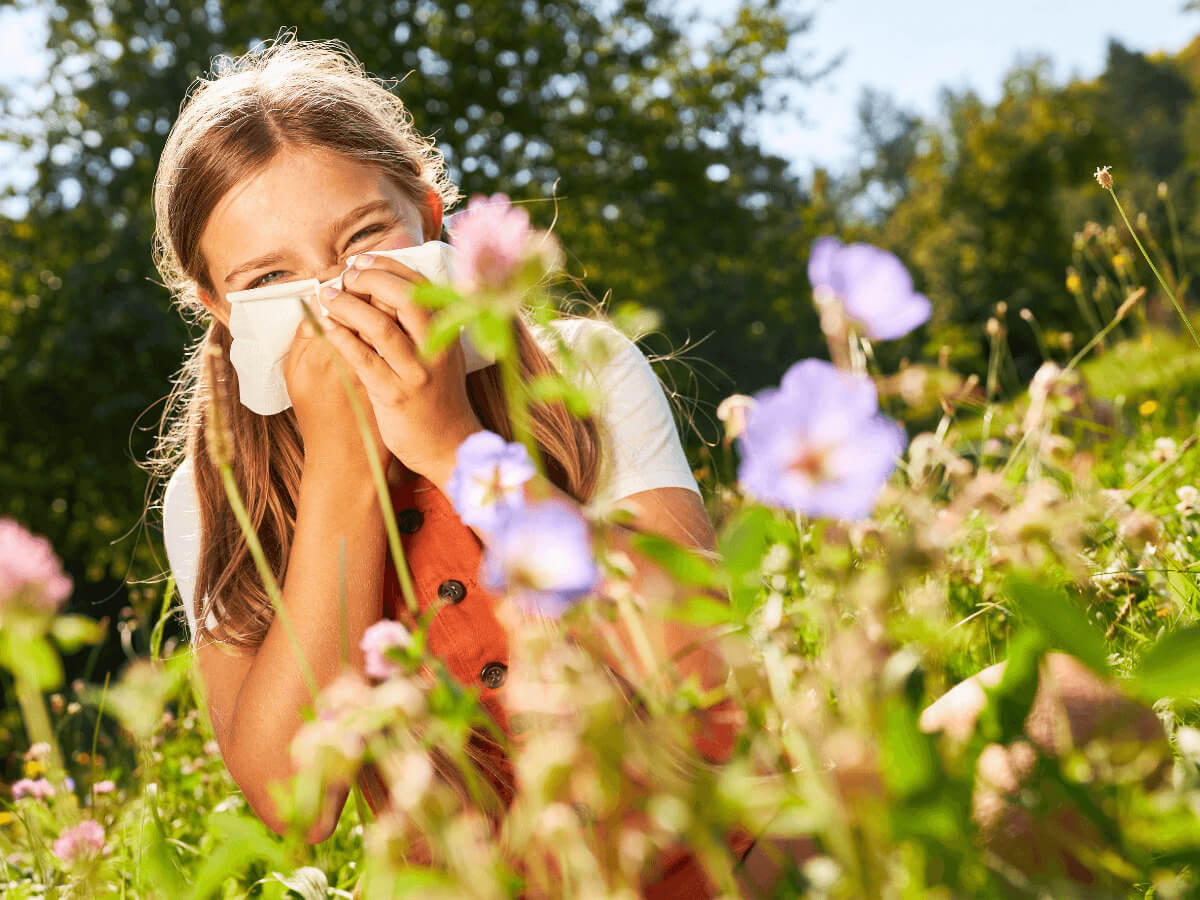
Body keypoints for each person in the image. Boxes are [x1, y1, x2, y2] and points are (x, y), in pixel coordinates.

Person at [152, 35, 761, 896]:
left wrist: (450, 442)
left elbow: (701, 673)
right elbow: (297, 802)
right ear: (219, 307)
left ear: (431, 218)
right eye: (271, 277)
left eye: (363, 238)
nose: (333, 299)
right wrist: (342, 474)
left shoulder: (579, 368)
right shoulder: (213, 494)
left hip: (724, 853)